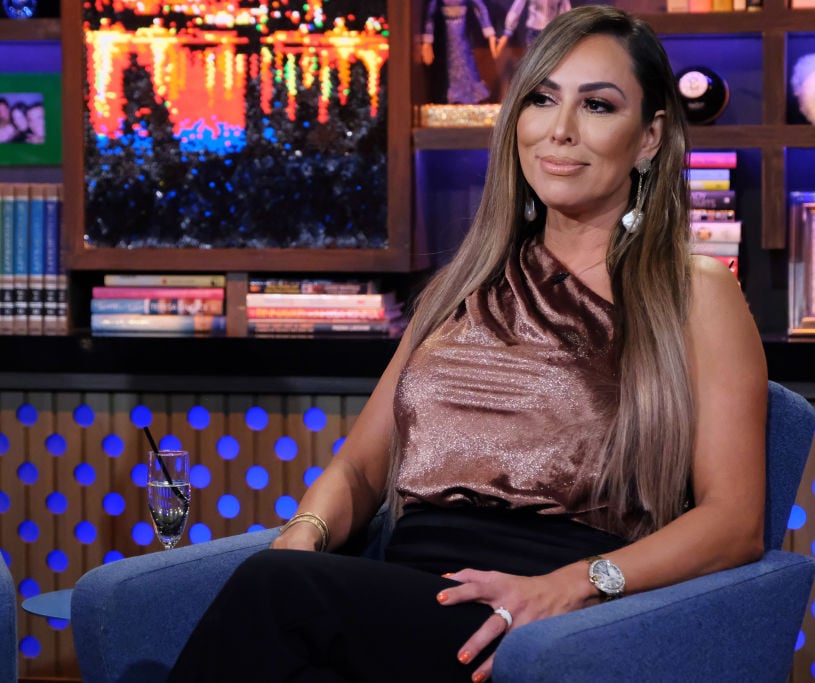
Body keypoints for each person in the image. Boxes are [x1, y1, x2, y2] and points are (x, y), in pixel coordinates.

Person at [169, 6, 768, 682]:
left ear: (650, 138)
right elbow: (361, 468)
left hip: (544, 622)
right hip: (402, 599)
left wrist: (573, 585)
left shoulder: (694, 291)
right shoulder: (465, 283)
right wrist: (304, 532)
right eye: (542, 99)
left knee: (274, 597)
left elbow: (734, 521)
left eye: (598, 105)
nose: (561, 129)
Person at [422, 0, 498, 104]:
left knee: (464, 58)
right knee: (449, 61)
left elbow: (480, 7)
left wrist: (490, 34)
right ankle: (451, 94)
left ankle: (469, 95)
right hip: (445, 35)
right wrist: (427, 42)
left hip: (461, 32)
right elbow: (430, 15)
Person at [495, 0, 572, 56]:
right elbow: (517, 8)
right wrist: (508, 31)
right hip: (534, 31)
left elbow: (566, 10)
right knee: (532, 62)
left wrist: (566, 29)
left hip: (551, 32)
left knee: (549, 61)